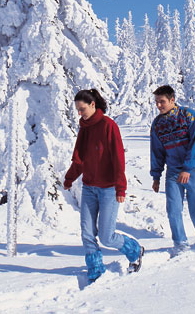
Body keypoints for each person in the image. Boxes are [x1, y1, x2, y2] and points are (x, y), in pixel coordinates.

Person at [63, 88, 143, 283]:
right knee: (87, 233)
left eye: (82, 109)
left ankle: (135, 250)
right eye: (77, 110)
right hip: (89, 188)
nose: (79, 113)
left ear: (93, 105)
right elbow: (80, 160)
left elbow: (118, 158)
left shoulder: (109, 126)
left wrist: (120, 187)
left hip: (108, 189)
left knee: (107, 236)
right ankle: (95, 270)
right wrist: (69, 178)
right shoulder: (84, 128)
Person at [149, 85, 195, 254]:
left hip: (194, 170)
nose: (158, 105)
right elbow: (157, 151)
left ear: (172, 100)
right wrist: (156, 176)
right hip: (173, 171)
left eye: (162, 102)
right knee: (173, 210)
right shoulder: (157, 124)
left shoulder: (189, 116)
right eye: (156, 102)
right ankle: (180, 244)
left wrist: (187, 168)